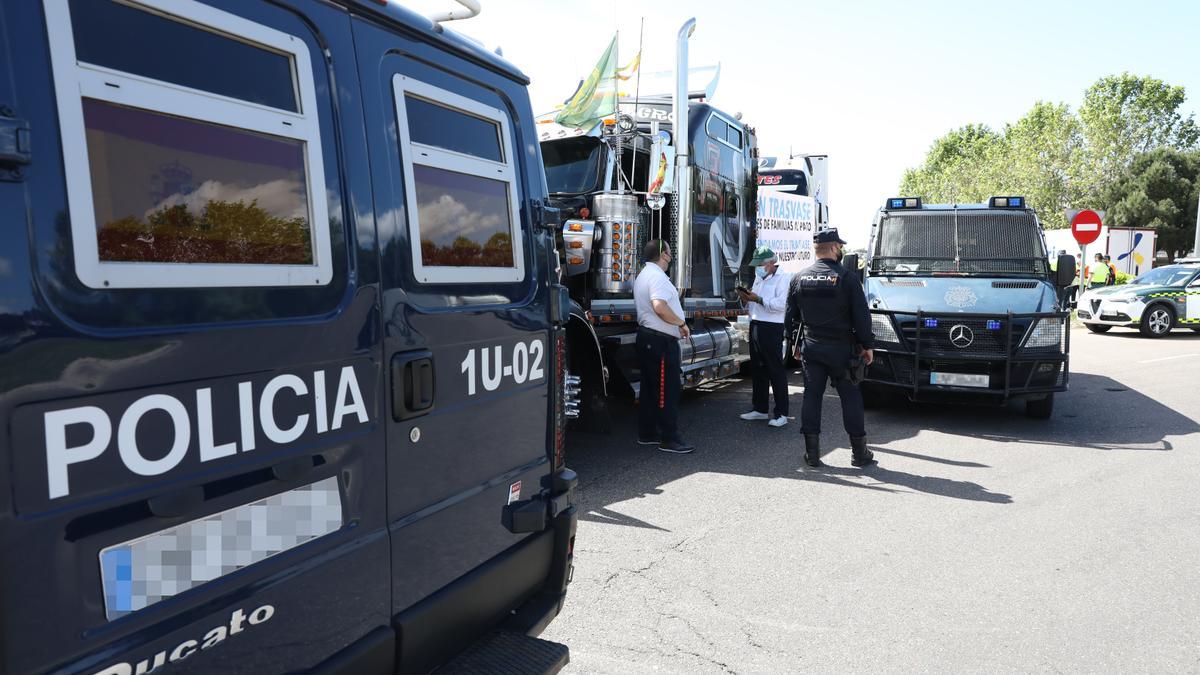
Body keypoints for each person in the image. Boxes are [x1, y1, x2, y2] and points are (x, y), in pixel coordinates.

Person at [785, 227, 876, 469]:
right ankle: (859, 453)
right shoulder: (847, 278)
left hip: (811, 348)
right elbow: (862, 317)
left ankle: (812, 454)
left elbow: (790, 317)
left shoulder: (799, 278)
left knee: (812, 397)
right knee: (851, 399)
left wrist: (795, 343)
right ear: (835, 248)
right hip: (842, 351)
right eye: (840, 247)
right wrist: (867, 345)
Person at [633, 239, 694, 453]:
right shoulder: (657, 276)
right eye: (669, 253)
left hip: (650, 339)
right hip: (660, 341)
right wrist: (681, 323)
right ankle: (670, 439)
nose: (670, 257)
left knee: (650, 391)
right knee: (666, 392)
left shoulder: (644, 275)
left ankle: (648, 433)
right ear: (663, 255)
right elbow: (660, 306)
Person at [737, 246, 791, 427]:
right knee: (757, 368)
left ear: (771, 263)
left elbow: (781, 305)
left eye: (760, 264)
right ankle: (759, 409)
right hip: (756, 323)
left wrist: (758, 300)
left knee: (775, 369)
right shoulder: (759, 277)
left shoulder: (784, 278)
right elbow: (754, 301)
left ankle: (781, 413)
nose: (757, 268)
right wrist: (746, 299)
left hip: (772, 326)